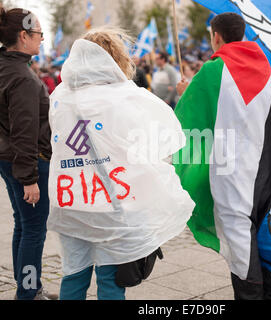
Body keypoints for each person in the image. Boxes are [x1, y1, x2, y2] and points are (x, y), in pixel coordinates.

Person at [47, 27, 194, 300]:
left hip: (70, 199)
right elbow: (163, 137)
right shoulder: (127, 96)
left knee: (74, 275)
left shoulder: (59, 96)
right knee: (111, 281)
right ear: (116, 58)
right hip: (111, 202)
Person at [175, 12, 271, 300]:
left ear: (216, 36)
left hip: (231, 173)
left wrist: (185, 92)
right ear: (243, 33)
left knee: (240, 248)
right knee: (256, 235)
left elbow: (189, 119)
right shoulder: (264, 67)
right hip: (264, 169)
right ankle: (269, 293)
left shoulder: (212, 71)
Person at [0, 5, 57, 300]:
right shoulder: (24, 78)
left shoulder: (2, 64)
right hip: (24, 161)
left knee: (23, 223)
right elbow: (25, 133)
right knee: (34, 230)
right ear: (24, 35)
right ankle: (28, 294)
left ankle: (28, 287)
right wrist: (29, 179)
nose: (42, 39)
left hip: (4, 155)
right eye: (39, 33)